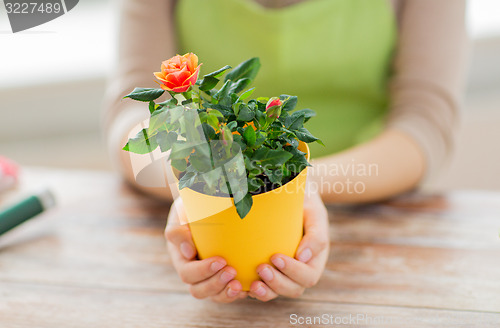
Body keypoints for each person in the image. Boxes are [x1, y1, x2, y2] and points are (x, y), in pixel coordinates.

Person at [103, 0, 467, 303]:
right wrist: (193, 186)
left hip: (380, 222)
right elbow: (130, 117)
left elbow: (425, 125)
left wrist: (299, 186)